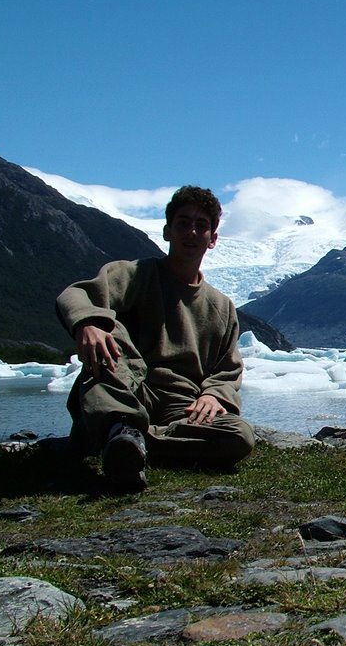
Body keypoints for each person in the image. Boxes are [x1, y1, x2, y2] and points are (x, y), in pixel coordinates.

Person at [56, 185, 255, 490]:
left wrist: (214, 394)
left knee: (239, 436)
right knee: (110, 329)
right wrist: (88, 324)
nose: (191, 231)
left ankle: (127, 441)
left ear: (212, 239)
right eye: (183, 223)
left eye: (201, 226)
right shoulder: (135, 275)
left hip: (181, 407)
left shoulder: (222, 307)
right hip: (128, 386)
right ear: (167, 231)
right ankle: (122, 427)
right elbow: (79, 294)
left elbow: (227, 369)